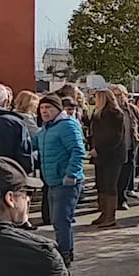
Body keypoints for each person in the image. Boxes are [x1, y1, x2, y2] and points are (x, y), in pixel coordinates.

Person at [33, 93, 86, 266]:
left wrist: (71, 174)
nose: (44, 111)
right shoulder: (46, 129)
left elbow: (78, 151)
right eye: (41, 108)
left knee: (61, 220)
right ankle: (65, 251)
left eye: (48, 108)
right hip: (52, 181)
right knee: (57, 220)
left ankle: (65, 255)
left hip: (66, 182)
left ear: (58, 109)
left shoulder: (67, 126)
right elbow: (33, 144)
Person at [88, 89, 129, 228]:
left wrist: (98, 149)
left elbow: (114, 137)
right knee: (101, 184)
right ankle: (104, 213)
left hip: (112, 155)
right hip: (100, 155)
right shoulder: (97, 113)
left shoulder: (114, 114)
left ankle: (110, 216)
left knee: (110, 184)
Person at [110, 84, 139, 208]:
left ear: (125, 95)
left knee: (125, 175)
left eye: (120, 95)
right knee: (114, 176)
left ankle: (122, 199)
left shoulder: (132, 109)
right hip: (114, 149)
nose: (117, 98)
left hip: (129, 147)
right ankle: (112, 201)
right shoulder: (109, 110)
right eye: (115, 95)